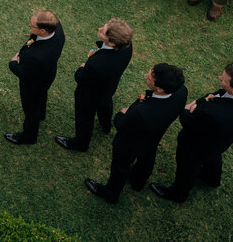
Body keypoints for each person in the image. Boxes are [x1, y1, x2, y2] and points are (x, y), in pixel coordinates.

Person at [84, 63, 187, 204]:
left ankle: (110, 193)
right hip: (153, 137)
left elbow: (121, 124)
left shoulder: (141, 113)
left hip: (130, 143)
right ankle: (138, 181)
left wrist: (122, 113)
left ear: (160, 89)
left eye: (149, 77)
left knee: (120, 167)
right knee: (148, 156)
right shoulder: (181, 92)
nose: (145, 76)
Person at [150, 63, 233, 203]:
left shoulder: (219, 116)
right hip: (219, 142)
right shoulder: (228, 99)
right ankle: (211, 179)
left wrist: (187, 110)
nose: (220, 78)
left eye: (224, 80)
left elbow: (190, 123)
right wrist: (200, 102)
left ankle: (178, 194)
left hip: (198, 145)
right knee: (213, 156)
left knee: (187, 167)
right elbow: (215, 96)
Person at [55, 18, 134, 152]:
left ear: (112, 42)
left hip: (89, 96)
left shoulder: (97, 65)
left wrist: (82, 67)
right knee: (105, 103)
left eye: (103, 31)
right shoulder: (127, 46)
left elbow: (80, 78)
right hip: (108, 87)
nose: (99, 29)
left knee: (84, 119)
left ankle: (81, 144)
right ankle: (106, 126)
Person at [5, 10, 66, 145]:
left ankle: (28, 137)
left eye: (32, 26)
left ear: (43, 31)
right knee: (42, 95)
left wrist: (13, 63)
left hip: (33, 83)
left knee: (31, 109)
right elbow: (32, 39)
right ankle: (41, 114)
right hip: (47, 74)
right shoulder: (58, 29)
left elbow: (23, 73)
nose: (29, 26)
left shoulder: (37, 57)